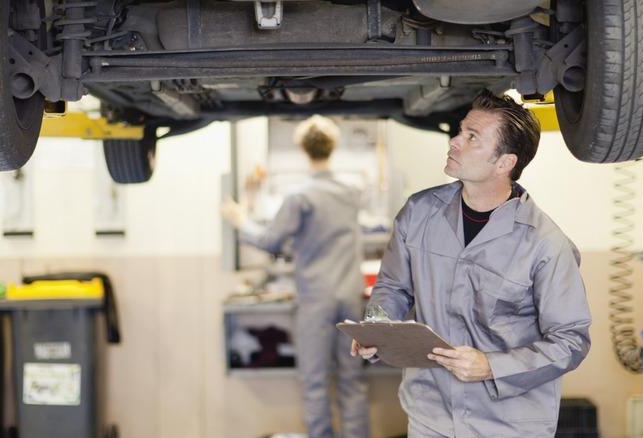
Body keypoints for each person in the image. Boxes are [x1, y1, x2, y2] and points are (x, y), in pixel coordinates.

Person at [351, 89, 592, 437]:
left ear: (504, 162)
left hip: (508, 424)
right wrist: (377, 327)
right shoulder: (418, 214)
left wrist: (491, 366)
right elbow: (393, 287)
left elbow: (570, 340)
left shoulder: (544, 244)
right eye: (460, 131)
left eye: (472, 137)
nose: (454, 141)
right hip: (430, 415)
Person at [221, 115, 370, 438]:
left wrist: (240, 220)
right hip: (350, 297)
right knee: (352, 381)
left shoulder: (299, 197)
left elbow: (269, 241)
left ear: (303, 149)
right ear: (333, 147)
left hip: (316, 299)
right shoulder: (352, 191)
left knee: (315, 381)